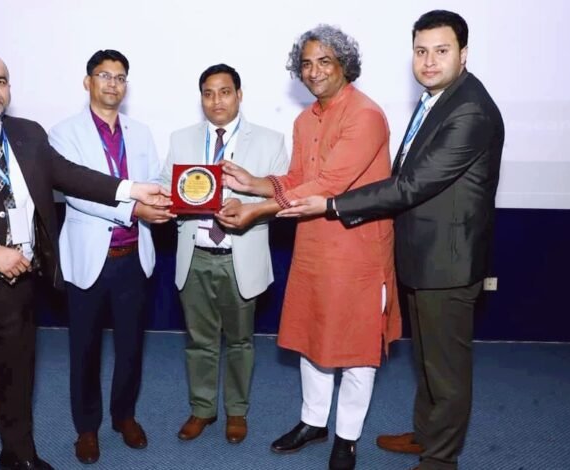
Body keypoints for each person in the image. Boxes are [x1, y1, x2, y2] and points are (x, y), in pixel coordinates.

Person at [0, 50, 168, 470]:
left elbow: (70, 175)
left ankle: (20, 458)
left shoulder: (27, 134)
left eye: (1, 81)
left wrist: (130, 190)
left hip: (19, 282)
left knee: (17, 381)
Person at [277, 11, 504, 470]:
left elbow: (410, 186)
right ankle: (425, 435)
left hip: (448, 262)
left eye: (441, 51)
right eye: (421, 51)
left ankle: (440, 460)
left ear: (463, 54)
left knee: (446, 370)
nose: (429, 61)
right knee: (427, 362)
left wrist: (332, 204)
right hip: (421, 254)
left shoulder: (470, 110)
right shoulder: (438, 100)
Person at [218, 25, 401, 470]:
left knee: (357, 349)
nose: (314, 71)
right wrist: (255, 182)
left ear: (344, 66)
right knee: (312, 336)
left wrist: (257, 209)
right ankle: (313, 421)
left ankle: (347, 437)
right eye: (306, 64)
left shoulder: (365, 115)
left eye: (324, 62)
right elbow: (299, 179)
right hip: (313, 246)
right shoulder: (304, 120)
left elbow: (331, 184)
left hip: (357, 252)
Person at [48, 49, 173, 465]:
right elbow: (77, 192)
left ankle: (124, 416)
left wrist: (158, 202)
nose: (112, 84)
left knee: (131, 346)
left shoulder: (141, 132)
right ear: (88, 82)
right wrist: (136, 209)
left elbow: (152, 179)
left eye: (120, 77)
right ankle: (86, 428)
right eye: (104, 75)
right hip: (89, 260)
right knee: (84, 349)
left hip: (133, 257)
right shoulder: (63, 133)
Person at [159, 63, 289, 445]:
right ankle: (202, 409)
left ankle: (236, 411)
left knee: (240, 341)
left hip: (240, 256)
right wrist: (169, 199)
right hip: (195, 254)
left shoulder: (270, 141)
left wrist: (246, 204)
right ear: (201, 98)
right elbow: (167, 185)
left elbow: (282, 197)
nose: (217, 100)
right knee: (199, 341)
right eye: (208, 93)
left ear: (239, 95)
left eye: (225, 92)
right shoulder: (181, 139)